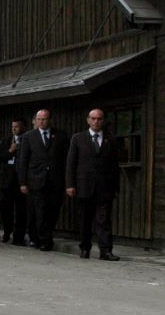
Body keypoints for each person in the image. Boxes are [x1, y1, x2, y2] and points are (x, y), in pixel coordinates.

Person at [66, 108, 121, 261]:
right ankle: (85, 248)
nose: (96, 121)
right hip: (84, 187)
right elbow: (71, 163)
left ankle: (106, 251)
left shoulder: (110, 139)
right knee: (85, 220)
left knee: (104, 220)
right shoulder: (78, 138)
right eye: (94, 118)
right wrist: (70, 185)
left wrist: (116, 187)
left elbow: (115, 165)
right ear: (88, 120)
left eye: (99, 119)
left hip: (104, 188)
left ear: (103, 121)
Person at [17, 108, 68, 252]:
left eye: (44, 119)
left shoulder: (60, 136)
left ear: (50, 120)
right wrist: (23, 182)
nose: (42, 122)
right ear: (35, 120)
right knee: (40, 211)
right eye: (39, 119)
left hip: (55, 180)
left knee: (53, 210)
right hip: (36, 180)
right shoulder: (28, 136)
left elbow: (65, 159)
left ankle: (45, 234)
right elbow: (23, 161)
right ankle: (44, 239)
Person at [0, 118, 28, 246]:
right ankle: (6, 232)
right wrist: (10, 151)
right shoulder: (5, 141)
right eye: (13, 127)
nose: (14, 129)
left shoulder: (27, 140)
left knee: (21, 209)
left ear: (23, 127)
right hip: (7, 180)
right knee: (6, 209)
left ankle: (19, 236)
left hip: (21, 181)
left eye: (17, 126)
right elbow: (0, 157)